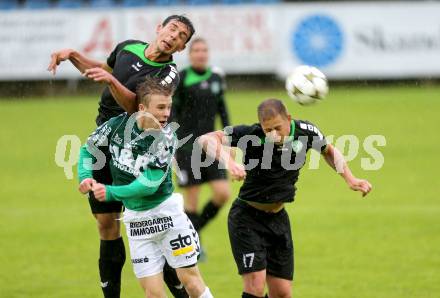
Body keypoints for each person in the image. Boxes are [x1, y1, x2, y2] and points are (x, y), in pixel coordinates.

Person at [48, 15, 195, 298]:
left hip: (137, 148)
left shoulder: (168, 73)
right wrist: (73, 56)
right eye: (172, 29)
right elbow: (102, 70)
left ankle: (180, 290)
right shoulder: (128, 47)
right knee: (107, 225)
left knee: (150, 221)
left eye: (181, 37)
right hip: (105, 141)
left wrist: (111, 80)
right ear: (159, 28)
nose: (174, 36)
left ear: (180, 48)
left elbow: (139, 107)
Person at [198, 99, 372, 298]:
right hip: (246, 219)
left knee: (282, 292)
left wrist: (350, 179)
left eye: (277, 127)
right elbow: (206, 140)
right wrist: (230, 163)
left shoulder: (305, 131)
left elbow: (328, 151)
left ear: (288, 119)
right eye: (267, 129)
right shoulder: (251, 134)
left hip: (278, 219)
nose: (273, 134)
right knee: (255, 284)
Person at [77, 77, 213, 298]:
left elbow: (148, 185)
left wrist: (110, 192)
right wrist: (85, 177)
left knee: (192, 283)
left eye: (168, 107)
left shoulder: (166, 137)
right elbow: (87, 149)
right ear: (142, 108)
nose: (166, 113)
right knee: (153, 294)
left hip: (168, 218)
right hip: (137, 223)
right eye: (160, 107)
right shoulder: (116, 126)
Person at [172, 38, 231, 241]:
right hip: (187, 147)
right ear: (189, 55)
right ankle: (191, 247)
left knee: (223, 193)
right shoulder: (181, 78)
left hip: (211, 145)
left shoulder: (216, 78)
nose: (200, 53)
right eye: (196, 50)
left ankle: (193, 234)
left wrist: (228, 138)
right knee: (192, 202)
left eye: (204, 50)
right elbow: (172, 113)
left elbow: (222, 110)